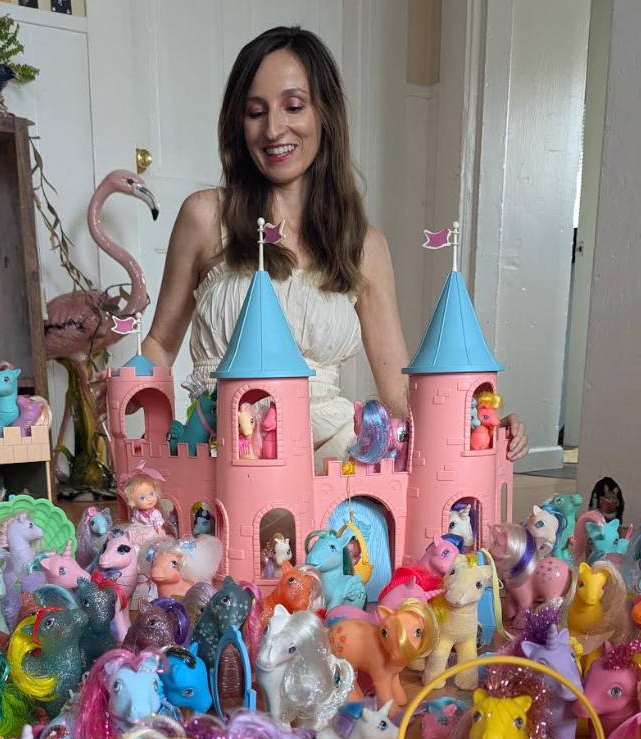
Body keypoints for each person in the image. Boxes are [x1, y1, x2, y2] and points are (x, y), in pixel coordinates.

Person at [141, 25, 528, 467]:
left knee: (369, 495)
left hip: (328, 447)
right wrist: (124, 394)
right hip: (224, 444)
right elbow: (160, 344)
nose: (273, 129)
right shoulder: (207, 217)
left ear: (324, 114)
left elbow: (398, 393)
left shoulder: (364, 245)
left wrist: (476, 424)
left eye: (293, 106)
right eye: (255, 112)